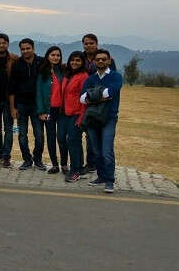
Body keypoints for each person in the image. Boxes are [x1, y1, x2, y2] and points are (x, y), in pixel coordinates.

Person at [80, 48, 123, 193]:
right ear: (94, 61)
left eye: (103, 59)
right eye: (98, 59)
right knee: (96, 151)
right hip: (92, 118)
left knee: (106, 150)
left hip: (109, 118)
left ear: (109, 60)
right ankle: (101, 176)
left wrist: (92, 94)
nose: (100, 61)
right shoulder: (90, 78)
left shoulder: (116, 77)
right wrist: (100, 94)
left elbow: (111, 92)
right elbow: (82, 99)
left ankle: (109, 180)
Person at [81, 33, 116, 172]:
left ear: (96, 43)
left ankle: (95, 164)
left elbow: (111, 80)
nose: (89, 45)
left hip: (101, 103)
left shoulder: (106, 59)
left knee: (98, 136)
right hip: (84, 99)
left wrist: (98, 95)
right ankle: (90, 163)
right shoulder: (81, 58)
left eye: (91, 43)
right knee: (88, 133)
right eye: (86, 43)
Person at [9, 38, 45, 170]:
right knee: (22, 135)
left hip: (37, 105)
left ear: (33, 48)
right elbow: (11, 88)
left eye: (27, 48)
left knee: (39, 135)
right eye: (23, 49)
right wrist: (13, 108)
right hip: (21, 105)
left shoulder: (41, 62)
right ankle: (27, 160)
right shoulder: (17, 64)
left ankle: (38, 159)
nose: (25, 51)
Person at [0, 33, 18, 168]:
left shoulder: (14, 59)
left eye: (4, 43)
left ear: (7, 44)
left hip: (8, 100)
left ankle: (6, 156)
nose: (1, 45)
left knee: (8, 129)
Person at [35, 46, 66, 174]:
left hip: (62, 110)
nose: (55, 57)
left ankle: (64, 164)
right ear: (48, 56)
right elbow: (39, 92)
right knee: (51, 137)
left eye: (58, 55)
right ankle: (55, 165)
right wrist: (41, 111)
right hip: (48, 110)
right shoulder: (42, 72)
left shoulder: (63, 71)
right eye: (53, 55)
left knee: (62, 137)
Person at [61, 51, 89, 183]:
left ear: (82, 62)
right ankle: (81, 168)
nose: (74, 62)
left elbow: (85, 99)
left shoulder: (83, 76)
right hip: (67, 113)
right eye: (72, 60)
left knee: (72, 141)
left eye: (78, 60)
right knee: (74, 141)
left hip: (77, 113)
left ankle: (75, 171)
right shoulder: (68, 74)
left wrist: (81, 117)